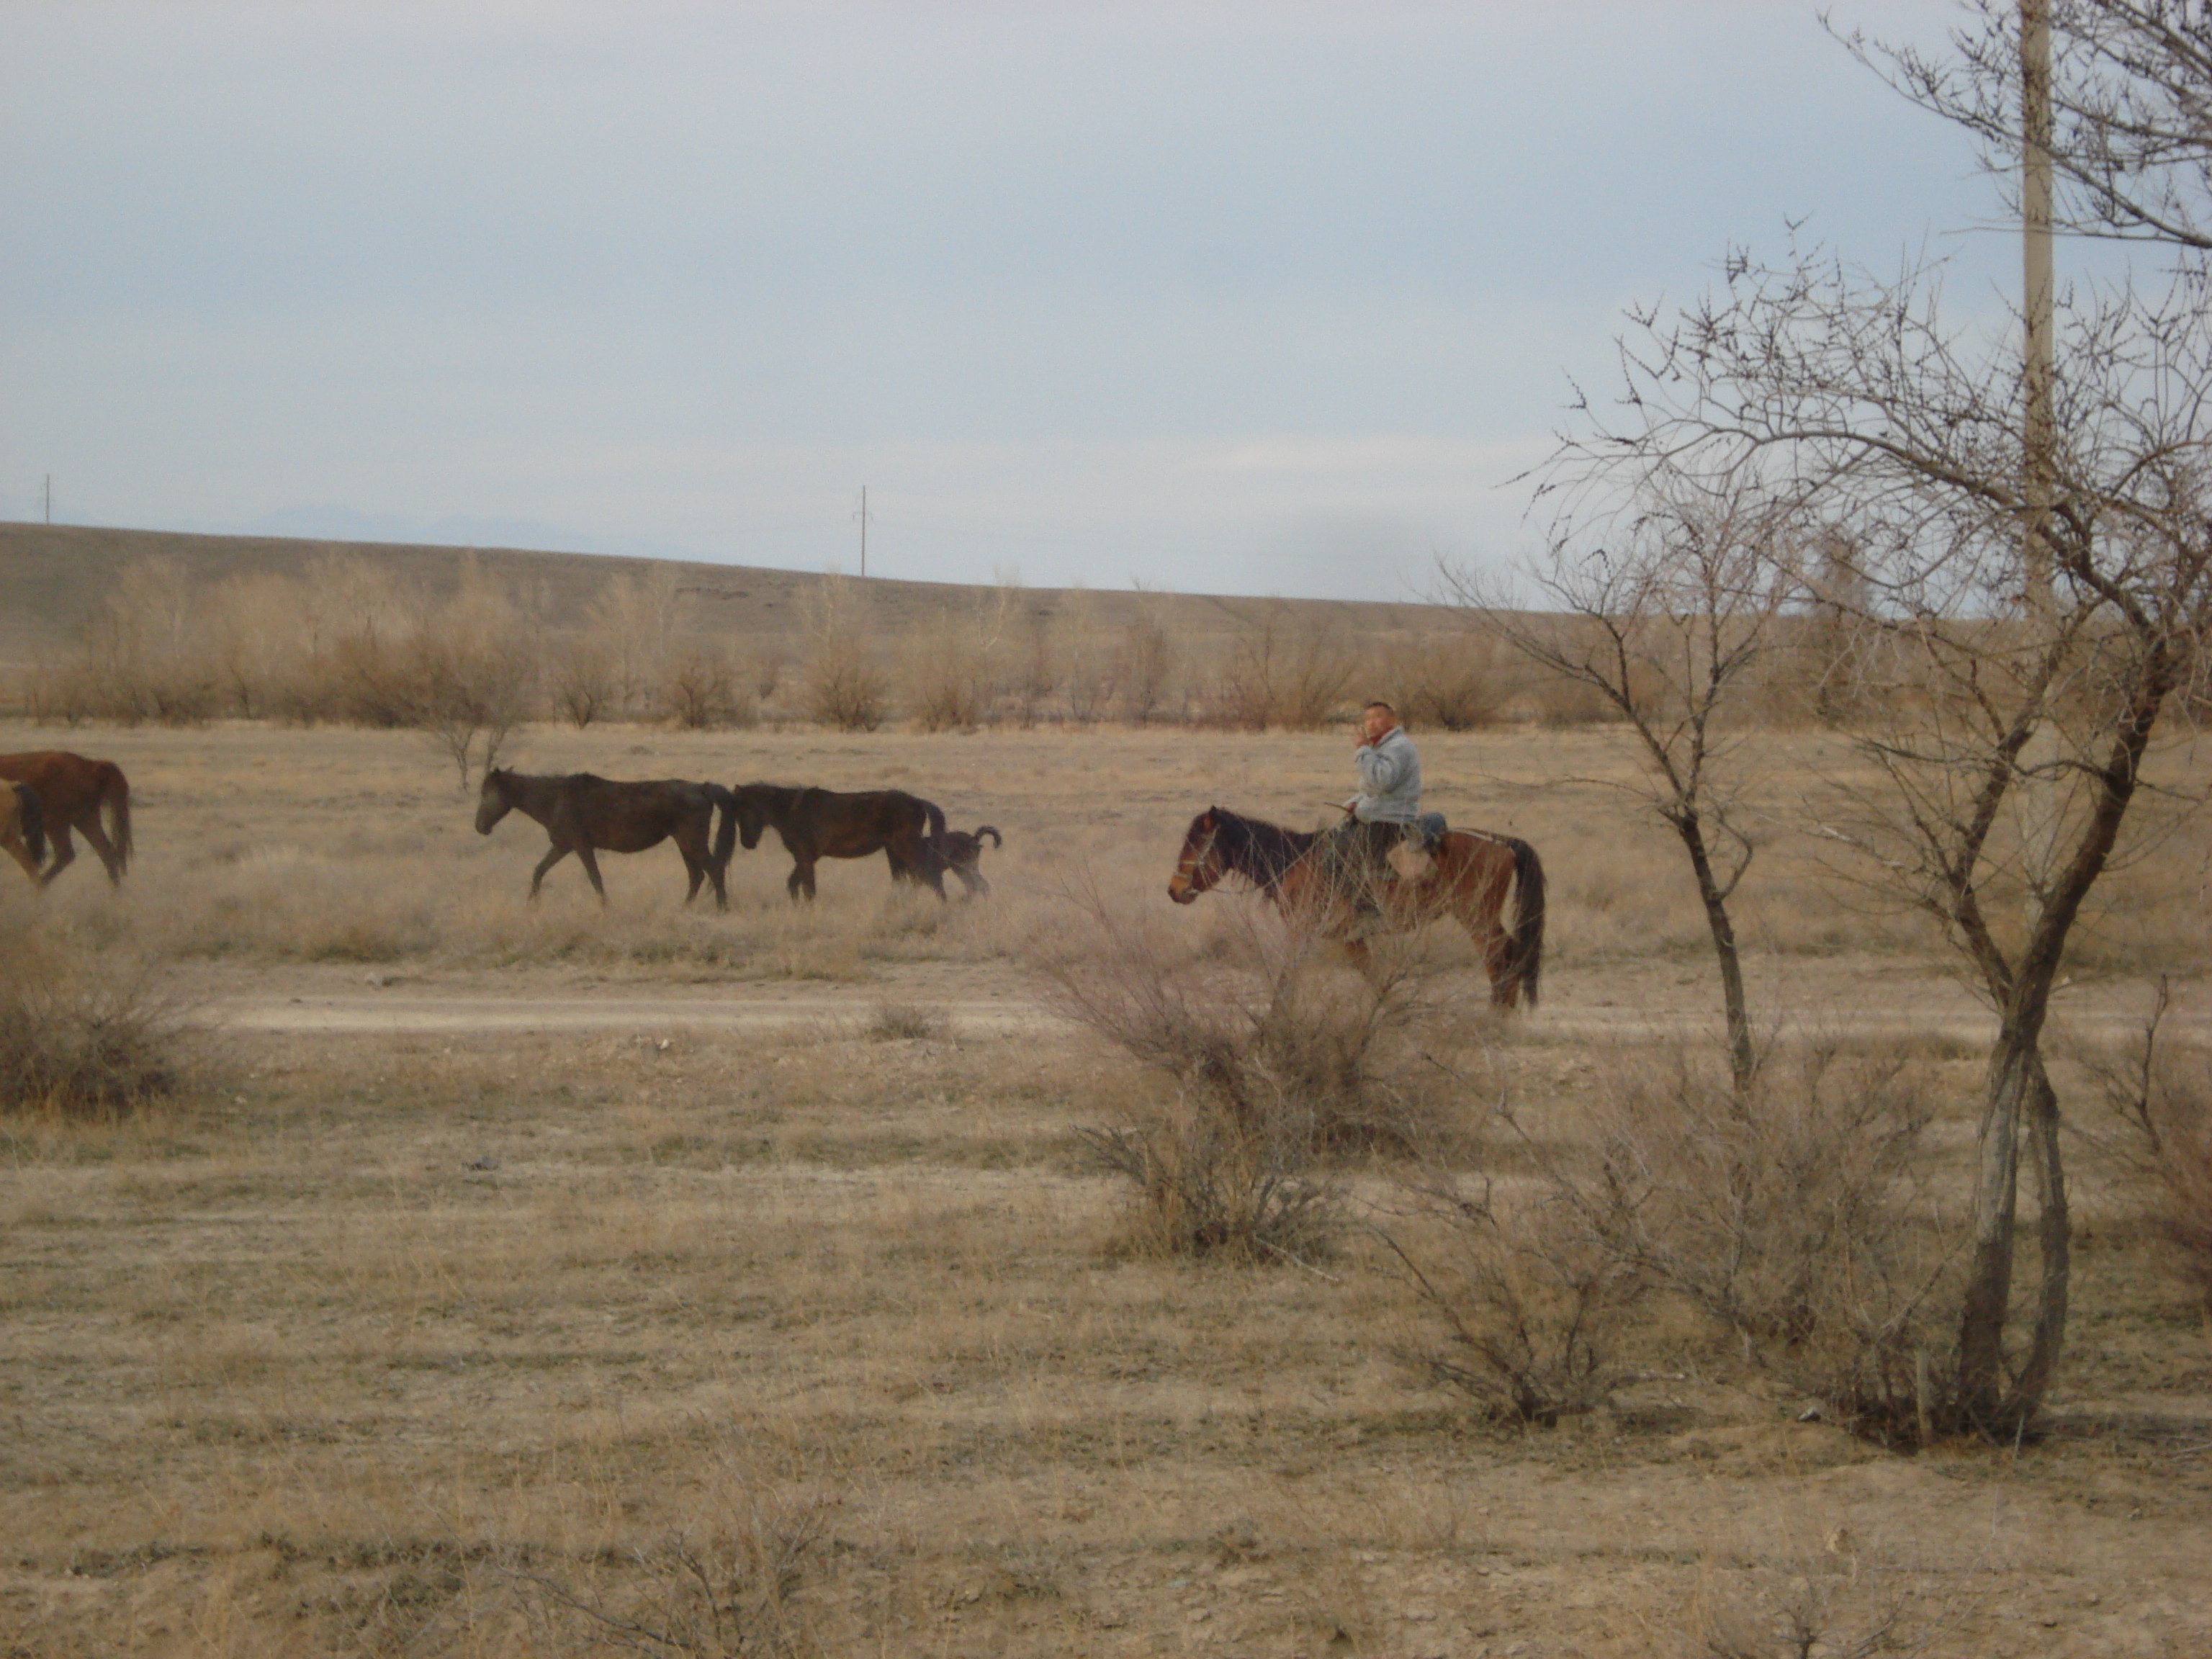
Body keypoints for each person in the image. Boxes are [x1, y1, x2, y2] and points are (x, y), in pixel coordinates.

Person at [1325, 699, 1421, 928]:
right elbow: (1370, 789)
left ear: (1393, 720)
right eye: (1367, 718)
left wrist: (1361, 750)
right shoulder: (1382, 747)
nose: (1371, 723)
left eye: (1377, 717)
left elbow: (1381, 781)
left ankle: (1368, 915)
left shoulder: (1399, 747)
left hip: (1389, 820)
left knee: (1344, 861)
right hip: (1376, 815)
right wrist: (1354, 802)